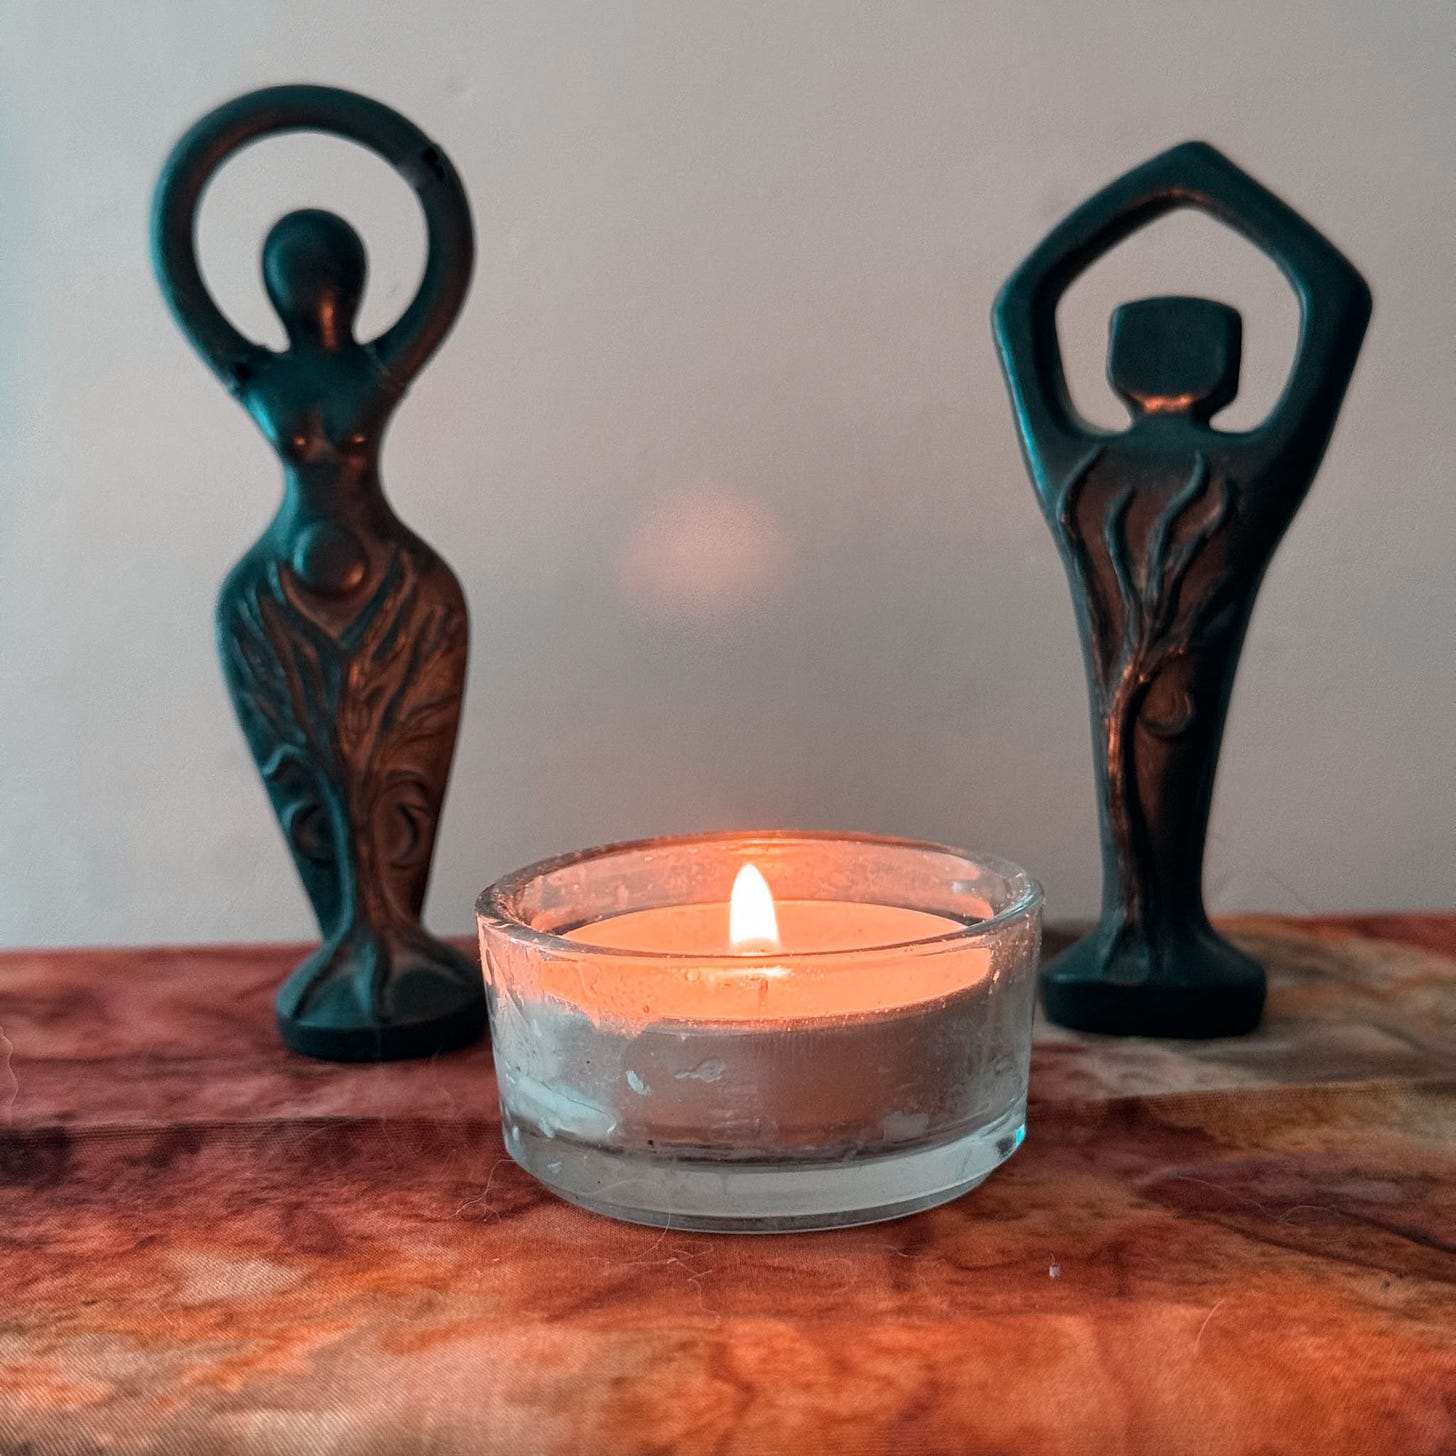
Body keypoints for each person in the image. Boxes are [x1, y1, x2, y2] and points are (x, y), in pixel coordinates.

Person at [994, 141, 1370, 1035]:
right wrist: (1202, 182)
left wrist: (1160, 188)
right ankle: (1155, 934)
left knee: (1142, 713)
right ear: (1228, 365)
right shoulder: (1249, 470)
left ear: (1116, 361)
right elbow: (1336, 297)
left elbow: (1020, 302)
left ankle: (1141, 932)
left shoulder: (1077, 469)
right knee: (1164, 712)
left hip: (1157, 660)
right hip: (1176, 671)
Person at [153, 86, 483, 1059]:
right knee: (311, 766)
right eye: (294, 274)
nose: (311, 287)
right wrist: (208, 154)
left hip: (397, 582)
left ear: (357, 279)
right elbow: (180, 265)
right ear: (269, 288)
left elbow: (448, 267)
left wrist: (415, 161)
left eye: (325, 271)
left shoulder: (375, 368)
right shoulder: (259, 373)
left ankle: (394, 932)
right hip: (274, 596)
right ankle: (352, 937)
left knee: (395, 757)